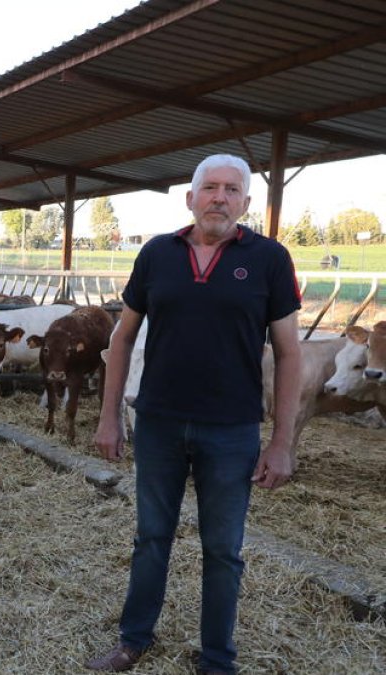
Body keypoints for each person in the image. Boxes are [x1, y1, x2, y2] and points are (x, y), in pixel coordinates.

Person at [86, 154, 302, 674]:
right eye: (210, 187)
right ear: (190, 197)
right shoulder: (158, 254)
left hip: (231, 431)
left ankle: (216, 659)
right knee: (151, 537)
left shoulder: (270, 259)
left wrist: (281, 442)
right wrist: (109, 417)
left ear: (246, 203)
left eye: (232, 189)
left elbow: (289, 353)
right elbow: (122, 338)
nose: (220, 197)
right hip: (158, 421)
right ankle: (134, 640)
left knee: (223, 549)